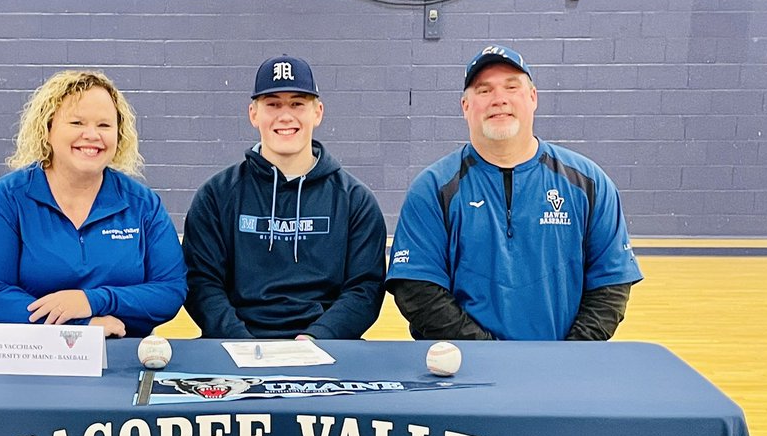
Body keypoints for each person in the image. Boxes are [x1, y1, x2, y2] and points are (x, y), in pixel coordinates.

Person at [387, 44, 642, 341]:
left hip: (563, 368)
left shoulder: (588, 183)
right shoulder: (432, 189)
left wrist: (572, 354)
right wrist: (488, 354)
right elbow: (418, 290)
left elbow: (610, 285)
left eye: (512, 87)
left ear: (533, 98)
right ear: (465, 107)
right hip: (464, 370)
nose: (499, 100)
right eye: (484, 91)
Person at [0, 70, 186, 337]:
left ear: (119, 135)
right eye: (77, 123)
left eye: (104, 125)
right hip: (25, 355)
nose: (92, 135)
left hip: (120, 354)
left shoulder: (143, 204)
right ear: (47, 129)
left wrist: (92, 300)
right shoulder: (5, 199)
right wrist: (78, 328)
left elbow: (170, 290)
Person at [181, 55, 387, 339]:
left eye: (297, 103)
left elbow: (365, 288)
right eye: (273, 104)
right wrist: (242, 343)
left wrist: (318, 338)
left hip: (327, 349)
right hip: (233, 346)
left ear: (318, 112)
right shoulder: (216, 197)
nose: (285, 115)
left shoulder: (355, 201)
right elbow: (202, 283)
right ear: (253, 113)